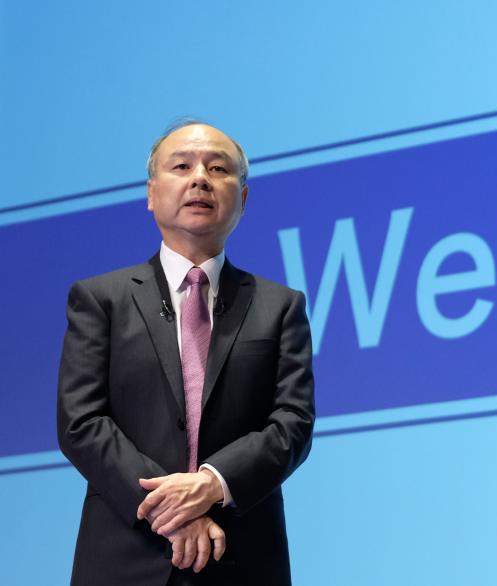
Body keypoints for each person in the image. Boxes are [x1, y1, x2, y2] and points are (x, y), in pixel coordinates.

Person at [57, 121, 315, 585]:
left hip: (241, 558)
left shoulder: (281, 307)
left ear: (244, 199)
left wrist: (213, 483)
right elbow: (81, 423)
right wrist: (174, 508)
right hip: (123, 559)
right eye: (182, 166)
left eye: (218, 168)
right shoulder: (101, 300)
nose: (200, 178)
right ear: (152, 194)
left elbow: (292, 424)